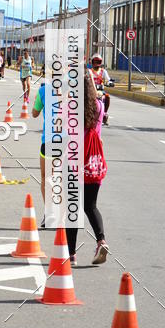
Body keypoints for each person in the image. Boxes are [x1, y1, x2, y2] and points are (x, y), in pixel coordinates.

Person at [65, 72, 108, 266]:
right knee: (91, 206)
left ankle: (71, 254)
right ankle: (101, 240)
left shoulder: (71, 107)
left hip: (74, 163)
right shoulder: (99, 106)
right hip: (94, 161)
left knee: (72, 208)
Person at [31, 73, 47, 227]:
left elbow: (34, 114)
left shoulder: (43, 91)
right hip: (69, 141)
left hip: (49, 140)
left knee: (45, 177)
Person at [89, 54, 112, 126]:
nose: (96, 63)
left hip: (100, 91)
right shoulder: (89, 71)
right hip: (91, 90)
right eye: (95, 61)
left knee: (107, 97)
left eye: (98, 61)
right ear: (92, 62)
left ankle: (104, 113)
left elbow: (108, 80)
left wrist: (110, 83)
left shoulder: (103, 71)